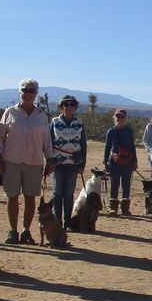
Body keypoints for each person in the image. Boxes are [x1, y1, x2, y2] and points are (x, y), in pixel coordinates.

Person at [0, 79, 54, 244]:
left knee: (30, 198)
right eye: (24, 90)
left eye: (31, 91)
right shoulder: (9, 113)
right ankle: (12, 231)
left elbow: (47, 140)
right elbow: (0, 136)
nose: (27, 94)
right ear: (19, 92)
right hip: (11, 160)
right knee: (12, 196)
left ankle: (26, 231)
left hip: (34, 161)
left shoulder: (41, 116)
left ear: (36, 93)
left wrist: (50, 159)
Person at [50, 95, 87, 229]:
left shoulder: (79, 123)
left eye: (72, 104)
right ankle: (57, 221)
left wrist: (82, 164)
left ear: (75, 107)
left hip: (73, 163)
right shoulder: (54, 122)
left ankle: (67, 222)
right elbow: (49, 143)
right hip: (57, 163)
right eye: (66, 104)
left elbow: (83, 144)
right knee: (57, 193)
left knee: (68, 194)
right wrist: (50, 161)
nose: (69, 107)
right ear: (61, 107)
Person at [104, 108, 138, 215]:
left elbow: (132, 146)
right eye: (118, 117)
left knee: (126, 184)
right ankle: (113, 207)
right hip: (114, 162)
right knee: (114, 183)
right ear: (114, 118)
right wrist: (106, 163)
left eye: (122, 117)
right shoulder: (111, 132)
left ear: (125, 118)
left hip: (127, 161)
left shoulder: (129, 131)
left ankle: (125, 208)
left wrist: (135, 161)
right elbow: (107, 148)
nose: (120, 119)